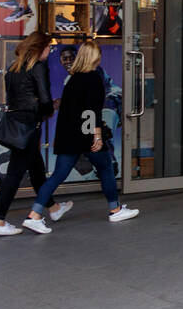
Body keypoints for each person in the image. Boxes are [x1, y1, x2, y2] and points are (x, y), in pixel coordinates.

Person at [23, 39, 138, 233]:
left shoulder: (73, 79)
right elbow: (92, 110)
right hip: (85, 134)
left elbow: (72, 111)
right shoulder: (93, 78)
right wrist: (97, 135)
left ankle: (34, 215)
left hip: (68, 136)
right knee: (106, 168)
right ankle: (115, 209)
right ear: (95, 57)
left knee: (57, 176)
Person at [0, 32, 65, 235]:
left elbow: (14, 98)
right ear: (39, 48)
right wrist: (50, 109)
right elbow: (44, 97)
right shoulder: (38, 67)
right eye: (48, 48)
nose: (50, 51)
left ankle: (53, 208)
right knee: (15, 173)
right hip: (30, 125)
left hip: (16, 124)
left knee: (36, 168)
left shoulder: (13, 68)